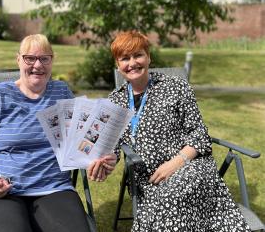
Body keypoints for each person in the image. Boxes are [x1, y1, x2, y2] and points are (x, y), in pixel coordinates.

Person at [0, 34, 116, 232]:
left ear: (52, 61)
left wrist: (99, 158)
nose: (38, 65)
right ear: (18, 59)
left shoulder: (61, 92)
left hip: (52, 187)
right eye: (30, 58)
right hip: (1, 189)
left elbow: (77, 142)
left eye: (44, 58)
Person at [106, 30, 250, 231]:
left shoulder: (176, 87)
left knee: (174, 195)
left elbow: (199, 134)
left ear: (149, 57)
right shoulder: (115, 100)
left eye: (138, 55)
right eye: (125, 58)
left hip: (189, 165)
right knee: (169, 197)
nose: (132, 63)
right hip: (148, 178)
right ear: (118, 65)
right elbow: (110, 146)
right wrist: (104, 162)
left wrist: (175, 163)